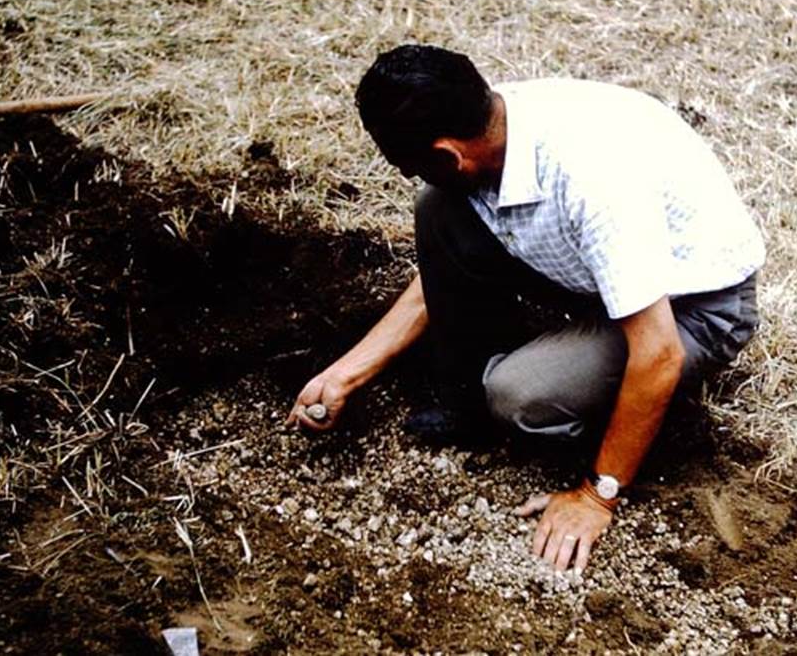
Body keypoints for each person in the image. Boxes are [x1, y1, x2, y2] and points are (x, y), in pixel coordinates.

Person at [286, 45, 765, 574]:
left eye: (410, 166)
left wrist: (596, 496)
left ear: (449, 155)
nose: (408, 177)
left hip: (693, 309)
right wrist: (347, 373)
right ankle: (467, 404)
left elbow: (658, 352)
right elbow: (437, 278)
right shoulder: (493, 127)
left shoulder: (591, 182)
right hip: (596, 277)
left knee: (521, 396)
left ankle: (656, 426)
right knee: (440, 209)